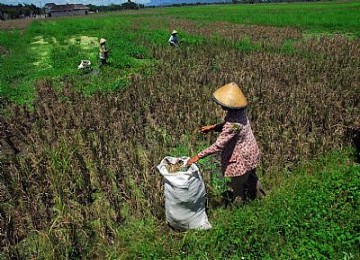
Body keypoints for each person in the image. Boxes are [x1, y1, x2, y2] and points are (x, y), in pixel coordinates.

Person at [187, 82, 266, 205]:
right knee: (251, 178)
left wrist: (198, 156)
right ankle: (262, 199)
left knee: (237, 186)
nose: (220, 106)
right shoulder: (240, 112)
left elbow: (219, 145)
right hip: (252, 152)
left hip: (242, 159)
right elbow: (231, 125)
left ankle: (238, 209)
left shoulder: (232, 124)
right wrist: (214, 127)